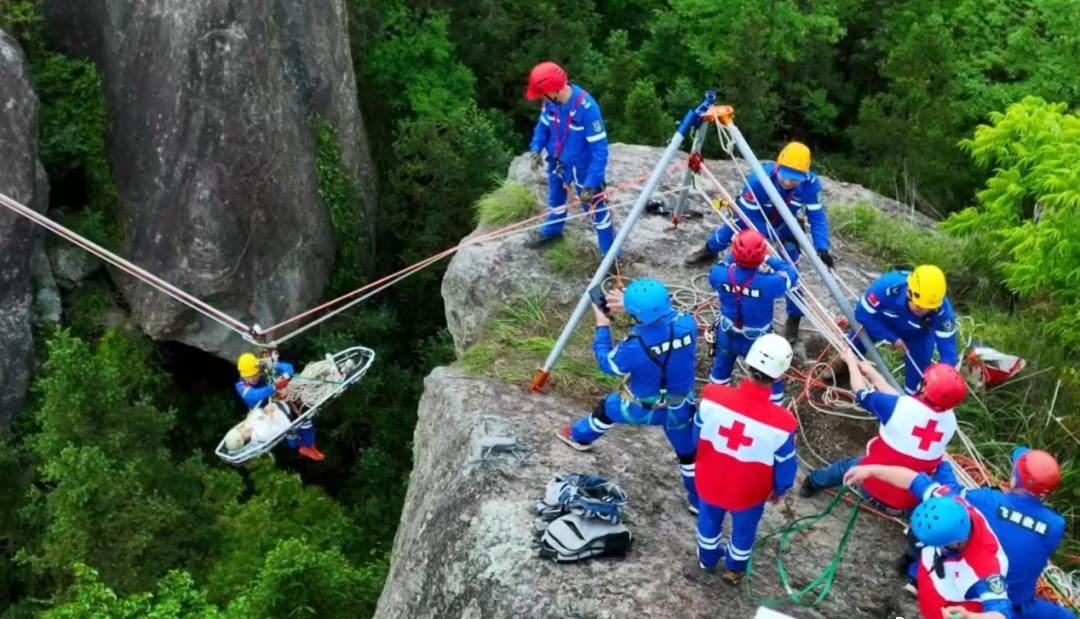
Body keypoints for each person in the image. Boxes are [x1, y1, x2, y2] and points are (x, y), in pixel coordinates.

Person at [556, 278, 699, 512]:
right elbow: (665, 319)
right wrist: (633, 306)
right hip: (679, 410)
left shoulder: (634, 345)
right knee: (689, 455)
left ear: (637, 315)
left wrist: (602, 324)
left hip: (640, 410)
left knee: (607, 409)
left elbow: (609, 365)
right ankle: (698, 501)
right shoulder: (689, 323)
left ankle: (579, 437)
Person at [683, 142, 833, 344]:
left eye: (794, 179)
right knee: (731, 231)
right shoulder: (758, 179)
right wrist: (764, 241)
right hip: (753, 219)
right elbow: (748, 216)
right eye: (785, 175)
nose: (788, 182)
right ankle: (710, 249)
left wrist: (821, 247)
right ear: (778, 167)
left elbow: (817, 218)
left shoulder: (810, 185)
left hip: (785, 225)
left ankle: (794, 316)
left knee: (792, 266)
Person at [799, 345, 967, 515]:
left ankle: (812, 483)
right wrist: (872, 374)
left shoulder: (898, 407)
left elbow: (860, 391)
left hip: (869, 486)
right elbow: (898, 401)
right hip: (906, 505)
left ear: (924, 386)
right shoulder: (949, 423)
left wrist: (850, 362)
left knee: (849, 465)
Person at [843, 463, 1014, 619]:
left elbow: (1001, 614)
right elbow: (913, 480)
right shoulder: (947, 502)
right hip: (934, 589)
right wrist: (871, 470)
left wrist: (970, 617)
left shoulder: (987, 565)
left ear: (954, 543)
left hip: (952, 610)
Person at [694, 334, 798, 585]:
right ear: (780, 376)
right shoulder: (783, 423)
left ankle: (707, 560)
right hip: (749, 492)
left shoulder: (711, 396)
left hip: (709, 479)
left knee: (708, 521)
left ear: (747, 363)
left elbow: (695, 436)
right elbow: (786, 466)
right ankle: (734, 570)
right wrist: (779, 489)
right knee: (744, 531)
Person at [935, 448, 1072, 619]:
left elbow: (949, 491)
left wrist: (944, 461)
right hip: (1017, 607)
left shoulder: (987, 499)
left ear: (1014, 480)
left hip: (972, 595)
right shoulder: (1056, 526)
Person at [525, 61, 615, 256]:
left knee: (595, 210)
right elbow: (542, 128)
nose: (541, 97)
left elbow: (600, 151)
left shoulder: (588, 109)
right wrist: (536, 149)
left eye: (542, 93)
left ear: (553, 89)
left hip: (582, 167)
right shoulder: (550, 102)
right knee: (555, 198)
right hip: (558, 162)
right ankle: (552, 231)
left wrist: (592, 184)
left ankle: (611, 257)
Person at [708, 228, 799, 405]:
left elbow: (726, 266)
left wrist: (736, 253)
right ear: (761, 255)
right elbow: (791, 273)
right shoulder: (770, 283)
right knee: (770, 377)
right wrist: (768, 258)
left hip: (727, 334)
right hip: (757, 341)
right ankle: (773, 413)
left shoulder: (718, 274)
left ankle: (713, 404)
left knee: (721, 369)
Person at [852, 265, 958, 395]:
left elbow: (948, 352)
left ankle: (910, 398)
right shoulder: (887, 286)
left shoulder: (944, 312)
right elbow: (862, 313)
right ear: (909, 291)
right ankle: (845, 367)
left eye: (928, 308)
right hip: (881, 323)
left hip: (918, 335)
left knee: (919, 366)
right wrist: (892, 338)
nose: (922, 311)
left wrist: (942, 380)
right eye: (918, 306)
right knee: (854, 343)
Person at [235, 352, 324, 461]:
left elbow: (288, 368)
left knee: (306, 416)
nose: (253, 378)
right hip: (263, 412)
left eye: (255, 374)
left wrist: (280, 369)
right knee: (289, 429)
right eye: (249, 376)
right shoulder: (241, 386)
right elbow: (253, 395)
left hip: (278, 400)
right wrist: (274, 387)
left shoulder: (262, 365)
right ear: (243, 374)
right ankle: (300, 445)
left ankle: (308, 445)